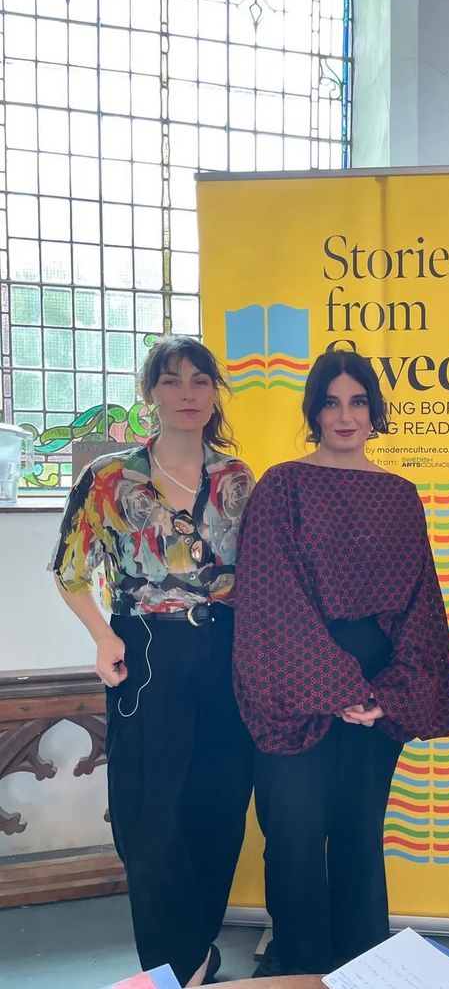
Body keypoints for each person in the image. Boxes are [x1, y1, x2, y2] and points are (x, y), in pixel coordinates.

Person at [232, 349, 449, 977]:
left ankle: (364, 964)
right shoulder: (282, 485)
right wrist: (338, 686)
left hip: (377, 692)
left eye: (358, 401)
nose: (345, 414)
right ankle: (300, 963)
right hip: (293, 682)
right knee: (296, 835)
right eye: (331, 401)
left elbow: (421, 602)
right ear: (313, 409)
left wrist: (390, 692)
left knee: (360, 834)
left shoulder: (400, 495)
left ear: (374, 410)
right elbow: (269, 596)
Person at [51, 336, 255, 988]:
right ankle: (173, 963)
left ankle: (196, 951)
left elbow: (258, 573)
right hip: (144, 651)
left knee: (219, 805)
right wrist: (101, 638)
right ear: (150, 393)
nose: (187, 394)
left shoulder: (235, 478)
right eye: (172, 382)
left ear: (214, 392)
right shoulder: (109, 477)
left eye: (200, 381)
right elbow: (69, 570)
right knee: (149, 815)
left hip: (226, 650)